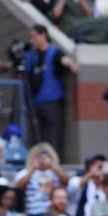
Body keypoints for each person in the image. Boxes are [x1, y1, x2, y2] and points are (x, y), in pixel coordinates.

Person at [24, 24, 77, 157]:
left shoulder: (54, 52)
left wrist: (70, 63)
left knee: (54, 138)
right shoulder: (32, 56)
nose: (32, 40)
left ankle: (55, 164)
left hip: (52, 102)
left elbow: (64, 60)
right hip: (36, 103)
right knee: (37, 139)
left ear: (43, 35)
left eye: (34, 37)